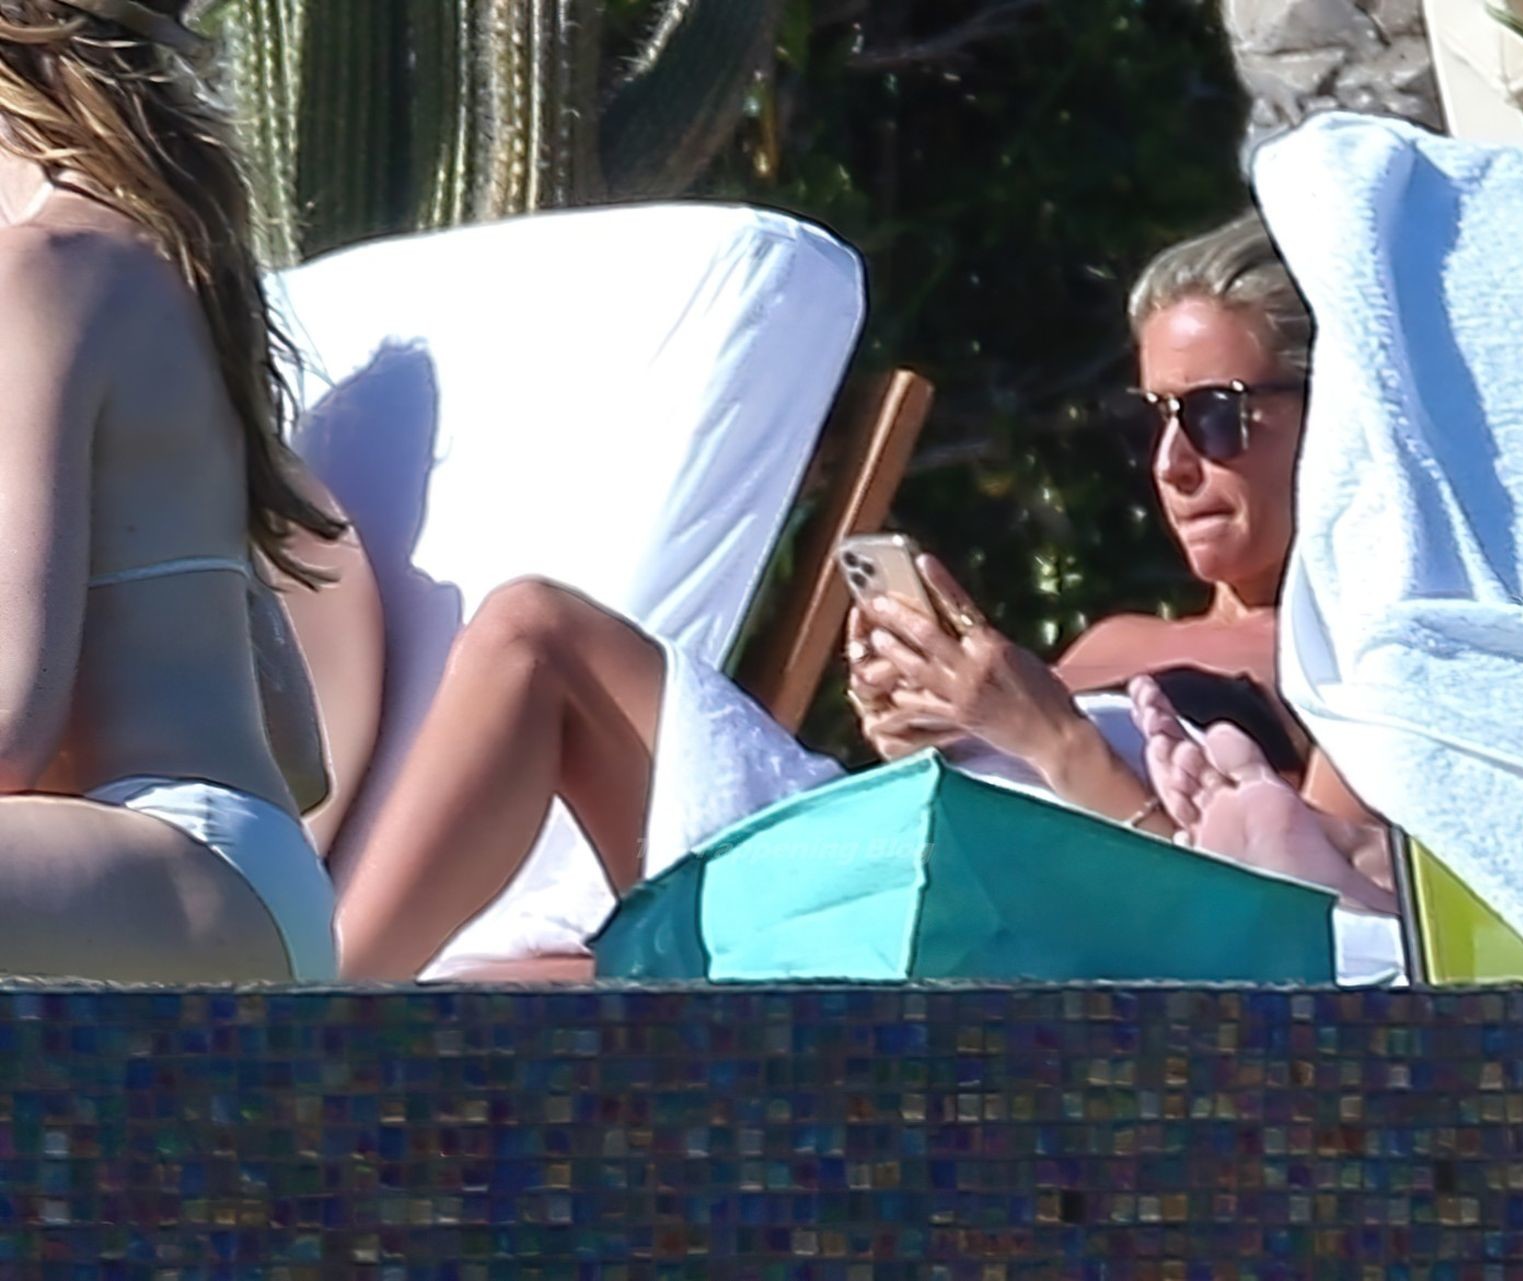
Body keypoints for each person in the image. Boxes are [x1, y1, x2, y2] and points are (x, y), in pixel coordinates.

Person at [327, 210, 1365, 980]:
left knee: (538, 634)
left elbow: (1324, 944)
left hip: (950, 938)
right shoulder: (1120, 635)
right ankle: (293, 1031)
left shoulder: (1355, 666)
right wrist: (929, 727)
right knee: (484, 980)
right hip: (870, 876)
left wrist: (1054, 740)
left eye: (1218, 415)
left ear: (1335, 410)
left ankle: (284, 1021)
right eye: (1155, 420)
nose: (1174, 463)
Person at [0, 0, 346, 980]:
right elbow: (300, 758)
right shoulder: (169, 264)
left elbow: (10, 724)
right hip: (244, 878)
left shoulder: (40, 273)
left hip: (171, 862)